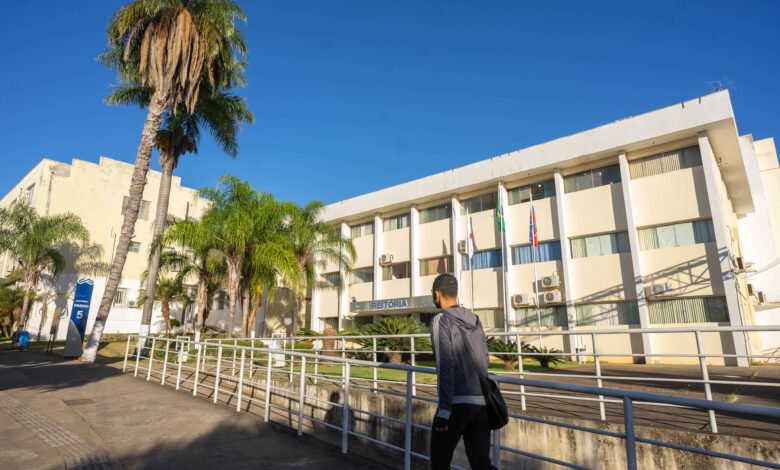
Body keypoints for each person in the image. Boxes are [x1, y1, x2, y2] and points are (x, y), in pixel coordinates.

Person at [429, 273, 496, 470]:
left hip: (456, 404)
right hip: (482, 403)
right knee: (481, 464)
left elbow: (445, 365)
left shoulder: (440, 320)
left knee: (440, 461)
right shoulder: (475, 319)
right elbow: (484, 358)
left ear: (437, 294)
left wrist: (444, 411)